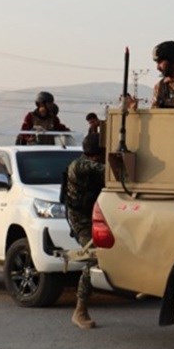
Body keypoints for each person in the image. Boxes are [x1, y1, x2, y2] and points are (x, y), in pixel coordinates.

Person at [62, 133, 107, 329]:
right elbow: (103, 169)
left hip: (98, 214)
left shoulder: (92, 163)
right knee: (93, 257)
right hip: (81, 219)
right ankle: (80, 310)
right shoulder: (79, 165)